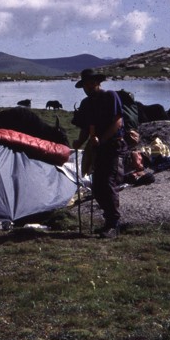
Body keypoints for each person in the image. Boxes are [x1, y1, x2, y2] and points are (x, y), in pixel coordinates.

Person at [71, 68, 127, 238]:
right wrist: (80, 142)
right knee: (97, 186)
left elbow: (117, 122)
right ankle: (109, 222)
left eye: (89, 84)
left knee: (107, 183)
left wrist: (101, 140)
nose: (87, 88)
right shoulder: (86, 104)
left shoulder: (110, 96)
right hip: (97, 148)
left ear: (97, 82)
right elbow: (85, 128)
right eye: (84, 85)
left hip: (113, 146)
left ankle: (114, 225)